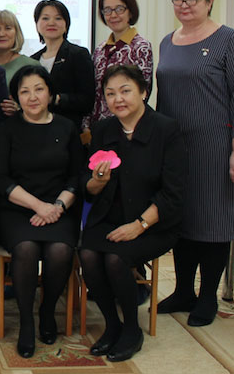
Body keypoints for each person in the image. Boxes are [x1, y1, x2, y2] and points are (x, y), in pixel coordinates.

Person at [156, 0, 234, 327]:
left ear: (210, 1)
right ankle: (183, 290)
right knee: (182, 219)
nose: (184, 5)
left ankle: (207, 297)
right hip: (178, 149)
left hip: (219, 150)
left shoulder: (229, 40)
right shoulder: (168, 42)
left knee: (213, 221)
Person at [80, 65, 186, 362]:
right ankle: (112, 325)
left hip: (154, 223)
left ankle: (131, 329)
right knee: (87, 254)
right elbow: (88, 185)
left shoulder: (166, 129)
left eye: (125, 91)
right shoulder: (103, 130)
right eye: (110, 94)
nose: (118, 99)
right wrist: (97, 182)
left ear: (143, 91)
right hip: (110, 217)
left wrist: (139, 225)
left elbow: (173, 193)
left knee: (116, 258)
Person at [0, 65, 83, 358]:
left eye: (39, 89)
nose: (32, 97)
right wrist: (38, 206)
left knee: (60, 250)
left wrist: (57, 206)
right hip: (17, 208)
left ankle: (47, 310)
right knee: (26, 248)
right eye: (25, 91)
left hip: (60, 207)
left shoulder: (67, 127)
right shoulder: (8, 129)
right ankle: (27, 322)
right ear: (16, 97)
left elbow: (77, 176)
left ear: (50, 93)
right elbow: (0, 178)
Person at [83, 0, 153, 138]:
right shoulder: (100, 49)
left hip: (127, 128)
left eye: (119, 9)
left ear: (130, 12)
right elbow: (95, 91)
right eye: (107, 10)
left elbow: (142, 91)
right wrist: (86, 125)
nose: (113, 15)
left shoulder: (141, 46)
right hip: (97, 128)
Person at [30, 0, 95, 132]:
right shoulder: (33, 60)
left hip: (67, 130)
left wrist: (56, 99)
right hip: (36, 129)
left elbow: (87, 100)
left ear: (66, 25)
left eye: (58, 18)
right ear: (37, 25)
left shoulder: (78, 54)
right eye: (45, 18)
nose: (51, 23)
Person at [0, 9, 40, 115]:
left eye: (8, 28)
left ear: (16, 33)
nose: (1, 34)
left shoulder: (31, 66)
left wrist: (19, 109)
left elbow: (42, 102)